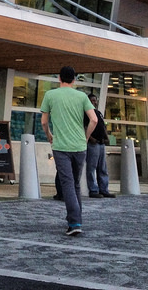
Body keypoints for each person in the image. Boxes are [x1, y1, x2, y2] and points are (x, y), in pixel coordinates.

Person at [40, 66, 96, 237]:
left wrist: (49, 135)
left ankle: (74, 222)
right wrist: (85, 138)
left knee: (68, 184)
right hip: (79, 146)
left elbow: (43, 122)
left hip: (61, 146)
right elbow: (93, 120)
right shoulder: (82, 96)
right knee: (76, 183)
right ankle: (77, 219)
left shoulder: (50, 95)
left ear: (59, 78)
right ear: (74, 79)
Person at [85, 95, 115, 198]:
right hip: (93, 143)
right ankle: (93, 190)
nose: (94, 102)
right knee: (91, 167)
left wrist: (107, 138)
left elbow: (103, 126)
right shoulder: (85, 113)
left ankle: (104, 189)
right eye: (92, 100)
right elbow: (84, 126)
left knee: (102, 168)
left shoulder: (98, 113)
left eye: (95, 100)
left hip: (101, 143)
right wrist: (90, 138)